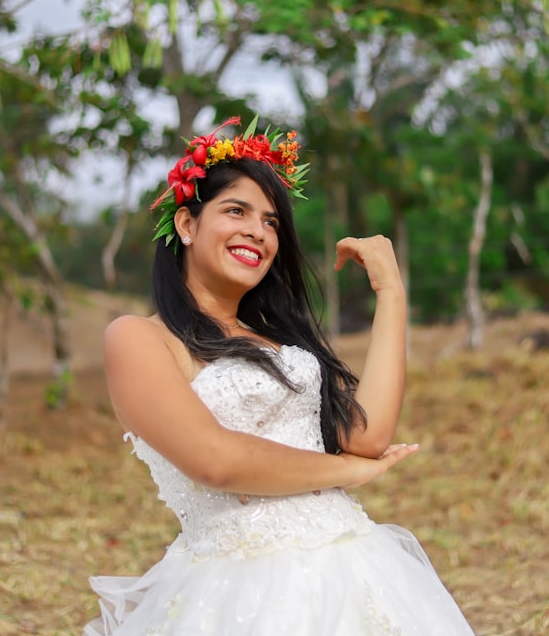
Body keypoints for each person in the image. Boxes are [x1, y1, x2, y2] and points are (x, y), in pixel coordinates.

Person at [85, 116, 476, 636]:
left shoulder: (276, 338)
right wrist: (345, 473)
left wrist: (391, 292)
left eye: (271, 221)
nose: (258, 231)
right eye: (236, 211)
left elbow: (370, 434)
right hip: (238, 588)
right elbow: (216, 460)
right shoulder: (139, 338)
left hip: (353, 564)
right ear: (185, 224)